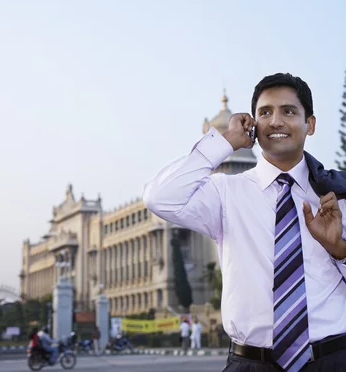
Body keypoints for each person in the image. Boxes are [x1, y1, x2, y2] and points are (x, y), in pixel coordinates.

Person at [144, 73, 346, 371]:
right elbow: (160, 197)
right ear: (253, 126)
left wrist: (338, 249)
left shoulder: (335, 196)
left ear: (310, 124)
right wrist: (223, 142)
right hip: (251, 363)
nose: (275, 121)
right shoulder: (226, 194)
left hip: (332, 359)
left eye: (288, 111)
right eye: (265, 113)